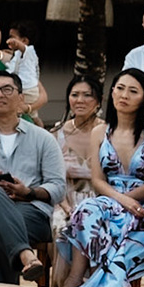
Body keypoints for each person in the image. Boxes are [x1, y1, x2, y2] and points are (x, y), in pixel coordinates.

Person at [63, 68, 144, 287]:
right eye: (120, 89)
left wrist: (129, 201)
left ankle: (105, 285)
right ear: (111, 93)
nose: (124, 95)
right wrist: (121, 199)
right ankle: (76, 277)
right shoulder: (100, 132)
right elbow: (98, 180)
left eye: (133, 91)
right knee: (84, 211)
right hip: (111, 197)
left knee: (130, 225)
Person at [0, 73, 65, 285]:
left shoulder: (43, 139)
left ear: (21, 98)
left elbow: (58, 187)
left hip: (31, 211)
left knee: (0, 226)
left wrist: (28, 192)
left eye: (7, 89)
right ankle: (25, 255)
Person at [52, 76, 105, 271]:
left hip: (100, 200)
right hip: (64, 200)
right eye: (75, 95)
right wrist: (66, 207)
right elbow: (51, 177)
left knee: (98, 228)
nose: (80, 100)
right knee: (61, 227)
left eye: (87, 95)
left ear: (98, 101)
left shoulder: (110, 132)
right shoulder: (57, 133)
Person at [4, 21, 46, 121]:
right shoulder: (17, 54)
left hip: (27, 90)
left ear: (24, 40)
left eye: (12, 37)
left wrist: (17, 44)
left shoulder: (29, 51)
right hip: (28, 89)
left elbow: (23, 49)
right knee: (34, 117)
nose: (9, 40)